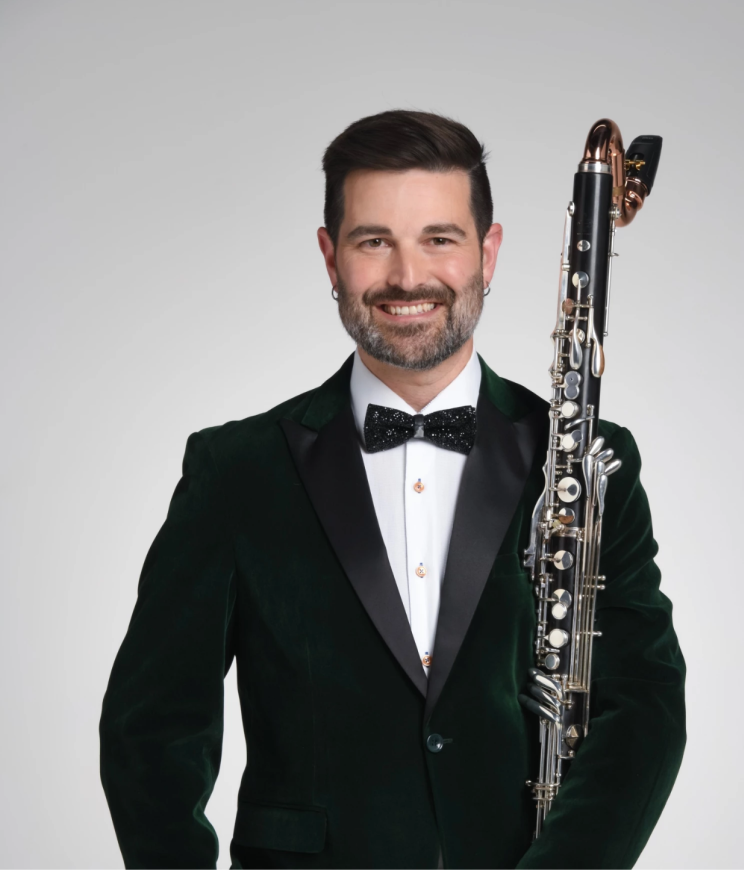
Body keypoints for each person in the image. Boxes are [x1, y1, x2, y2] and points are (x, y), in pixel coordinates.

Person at [99, 109, 686, 869]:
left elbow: (642, 709)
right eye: (374, 241)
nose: (408, 276)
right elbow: (149, 730)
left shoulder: (587, 461)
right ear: (330, 257)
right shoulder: (236, 471)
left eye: (439, 238)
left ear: (489, 252)